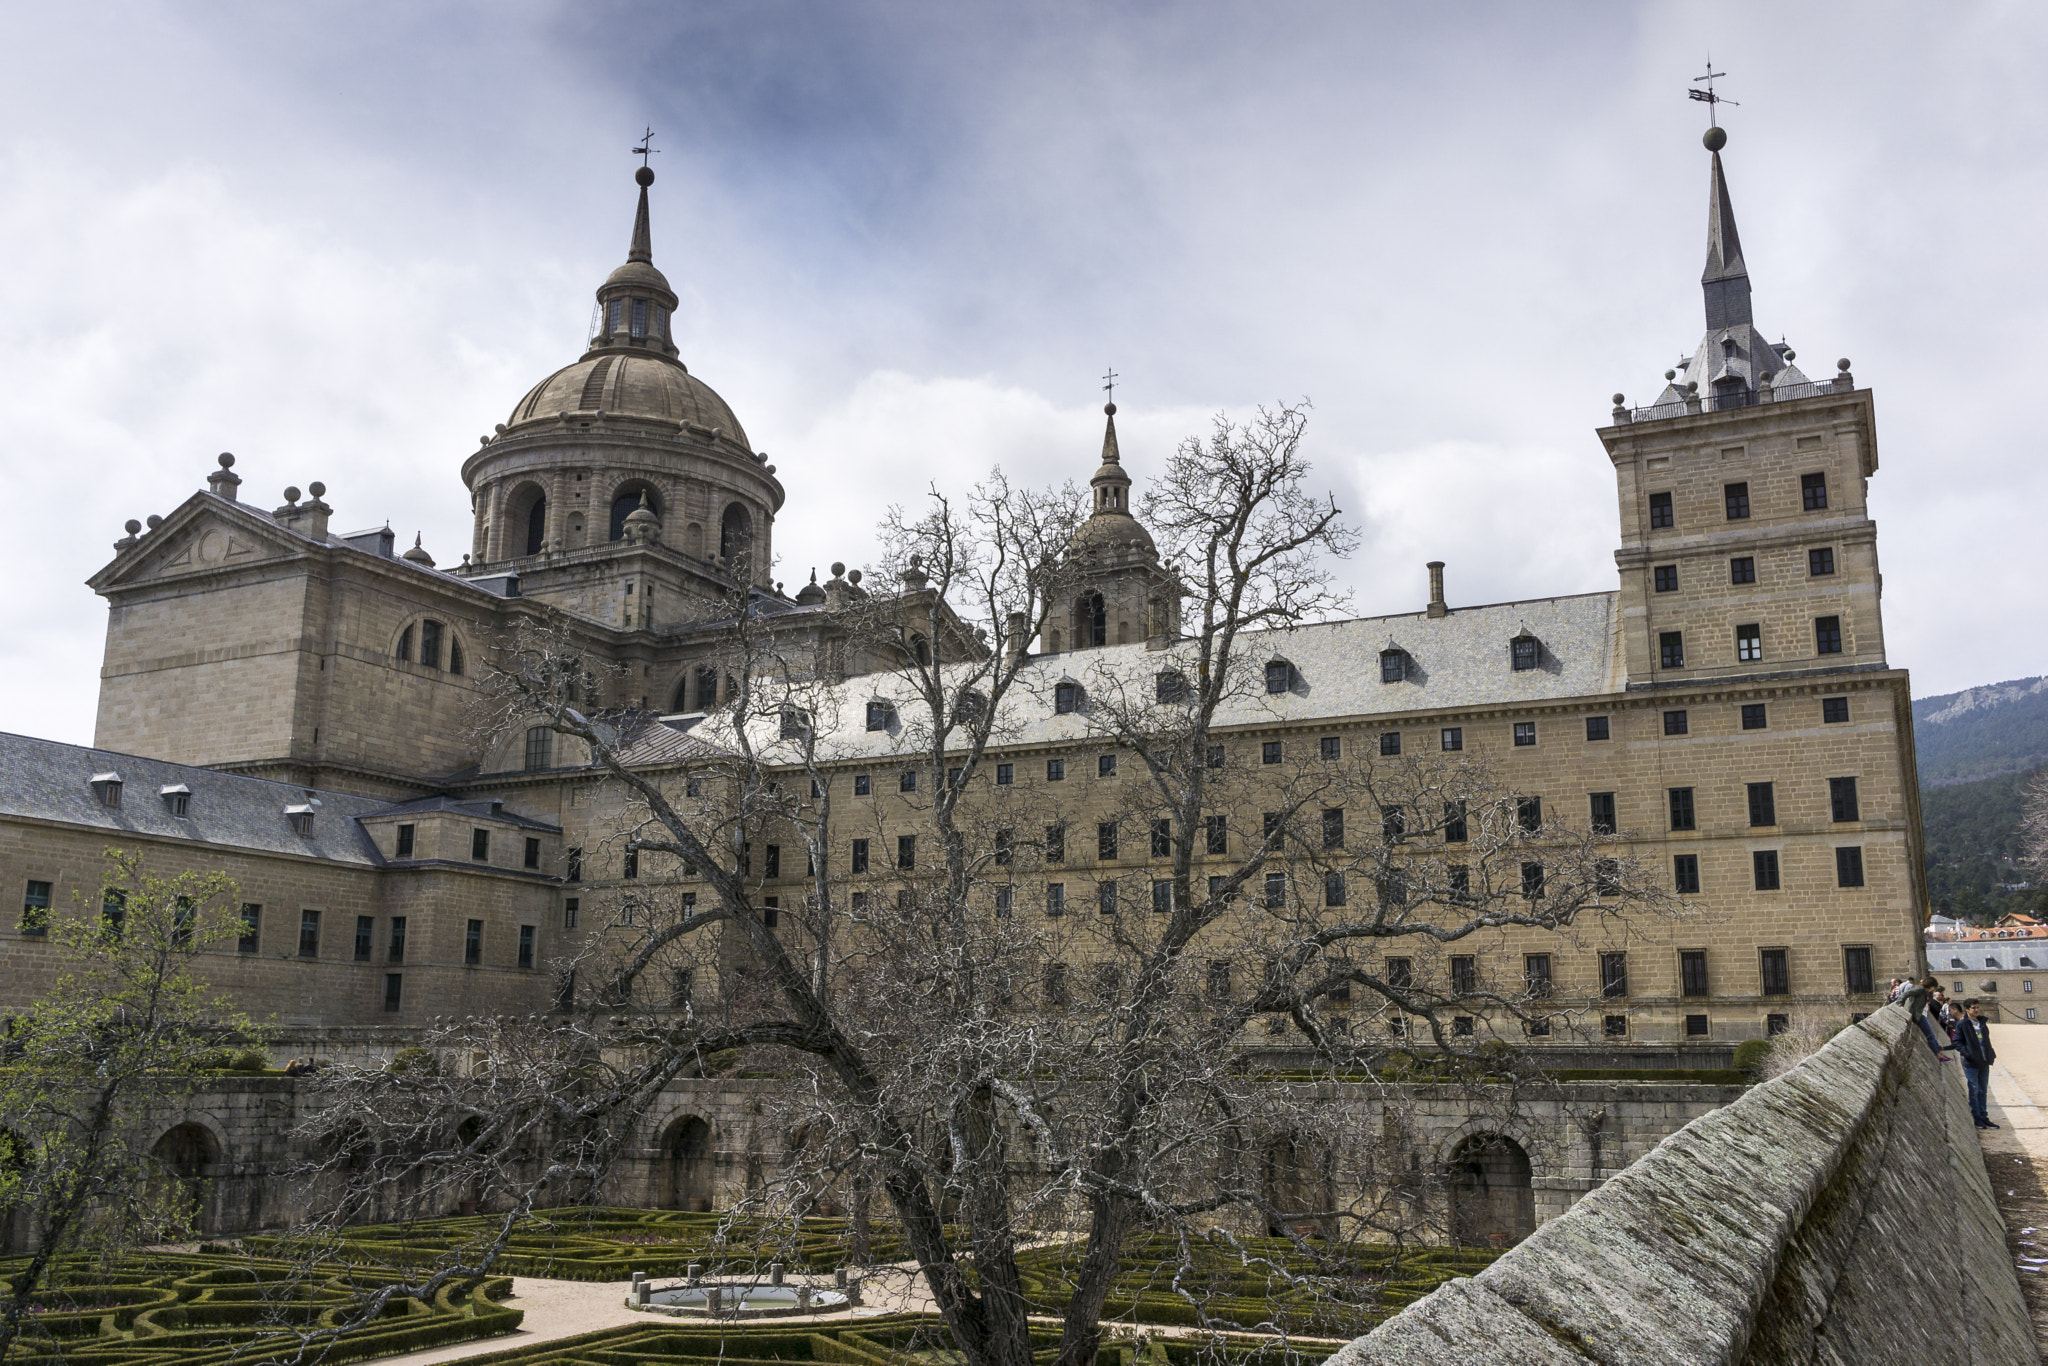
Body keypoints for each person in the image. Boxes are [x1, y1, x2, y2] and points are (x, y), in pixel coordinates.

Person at [1954, 1000, 1999, 1129]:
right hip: (1971, 1062)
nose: (1976, 1010)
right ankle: (1977, 1117)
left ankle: (1984, 1117)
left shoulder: (1982, 1023)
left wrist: (1990, 1054)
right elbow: (1957, 1042)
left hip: (1984, 1060)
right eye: (1973, 1008)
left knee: (1982, 1090)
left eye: (1978, 1007)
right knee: (1973, 1090)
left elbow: (1986, 1040)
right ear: (1967, 1009)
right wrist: (1967, 1054)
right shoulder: (1962, 1024)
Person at [1897, 976, 1952, 1059]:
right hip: (1916, 1015)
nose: (1933, 990)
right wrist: (1900, 1005)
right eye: (1933, 987)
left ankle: (1938, 1051)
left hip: (1919, 1014)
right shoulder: (1921, 989)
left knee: (1931, 1034)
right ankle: (1938, 1055)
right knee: (1930, 1035)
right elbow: (1906, 993)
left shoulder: (1923, 990)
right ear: (1931, 986)